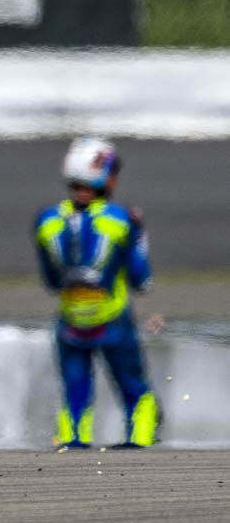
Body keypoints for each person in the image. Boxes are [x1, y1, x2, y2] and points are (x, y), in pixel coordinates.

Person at [33, 137, 161, 449]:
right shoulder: (122, 220)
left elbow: (51, 282)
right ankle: (140, 439)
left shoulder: (47, 221)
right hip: (113, 321)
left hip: (70, 324)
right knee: (132, 385)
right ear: (107, 176)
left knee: (75, 389)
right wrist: (139, 235)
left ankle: (73, 440)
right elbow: (141, 280)